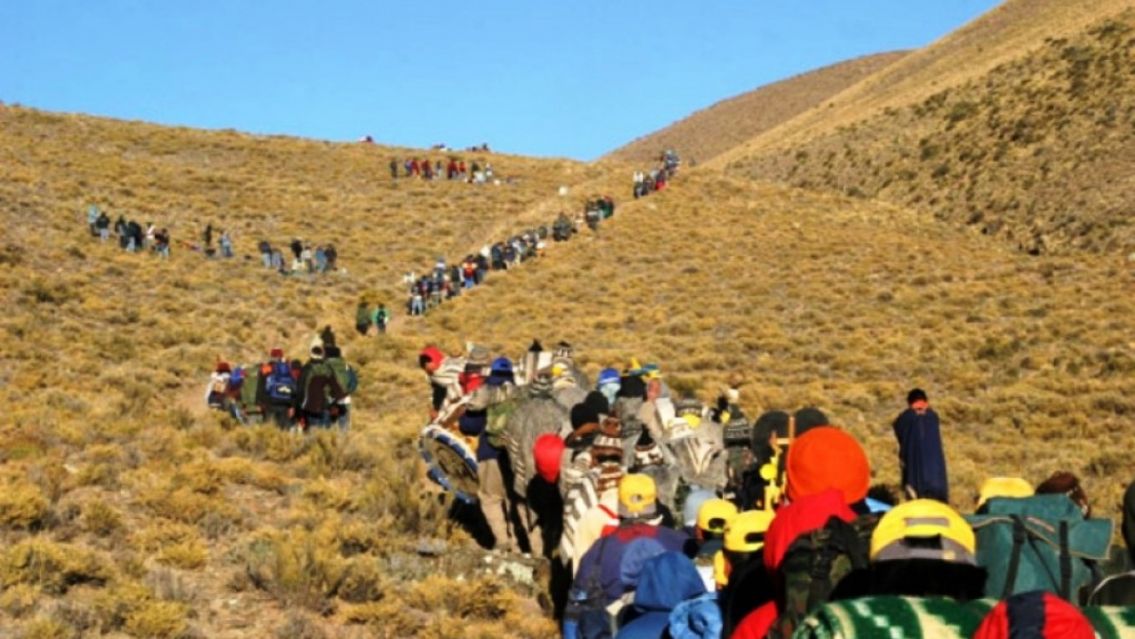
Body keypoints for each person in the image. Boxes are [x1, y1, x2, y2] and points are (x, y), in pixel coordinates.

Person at [892, 388, 948, 502]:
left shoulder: (905, 419)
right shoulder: (932, 417)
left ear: (909, 402)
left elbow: (898, 428)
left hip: (915, 477)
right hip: (937, 478)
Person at [294, 345, 346, 430]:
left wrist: (298, 412)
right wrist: (335, 405)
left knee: (311, 434)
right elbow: (337, 390)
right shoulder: (328, 370)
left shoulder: (306, 369)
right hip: (325, 407)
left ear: (311, 354)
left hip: (309, 408)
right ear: (322, 355)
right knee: (325, 435)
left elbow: (300, 390)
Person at [419, 346, 465, 424]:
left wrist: (436, 410)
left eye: (427, 363)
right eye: (423, 365)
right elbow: (439, 391)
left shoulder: (444, 371)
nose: (425, 367)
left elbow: (440, 391)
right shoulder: (436, 374)